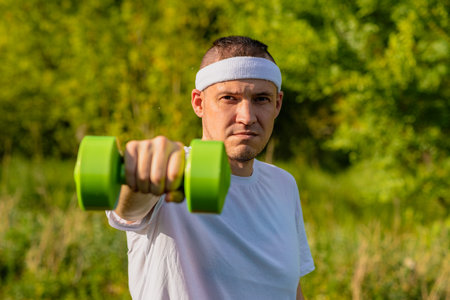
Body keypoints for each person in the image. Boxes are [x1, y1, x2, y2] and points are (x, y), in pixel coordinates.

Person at [106, 36, 314, 300]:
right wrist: (139, 180)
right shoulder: (172, 171)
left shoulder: (284, 184)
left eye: (261, 99)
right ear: (198, 103)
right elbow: (129, 209)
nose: (247, 117)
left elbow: (291, 289)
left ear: (278, 104)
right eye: (229, 98)